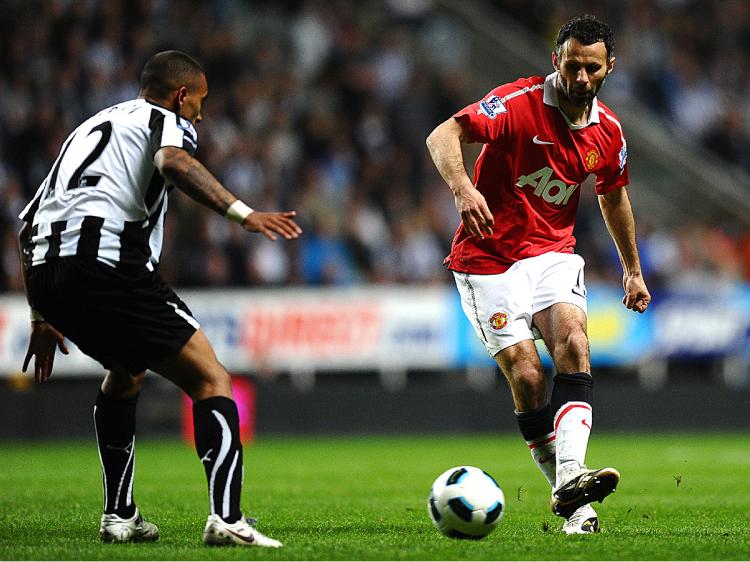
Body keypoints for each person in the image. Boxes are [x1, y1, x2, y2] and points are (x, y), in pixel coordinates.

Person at [18, 50, 301, 547]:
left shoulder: (89, 126)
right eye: (200, 102)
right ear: (181, 95)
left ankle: (120, 515)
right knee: (211, 378)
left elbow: (26, 222)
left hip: (45, 271)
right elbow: (173, 162)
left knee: (126, 373)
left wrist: (42, 316)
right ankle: (227, 519)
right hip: (108, 263)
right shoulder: (165, 120)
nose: (202, 113)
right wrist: (244, 214)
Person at [426, 14, 650, 534]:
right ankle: (571, 497)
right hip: (488, 258)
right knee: (528, 377)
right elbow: (444, 135)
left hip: (552, 252)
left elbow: (613, 196)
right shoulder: (517, 102)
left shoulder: (608, 132)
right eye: (571, 65)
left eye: (591, 69)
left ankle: (572, 478)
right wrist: (463, 188)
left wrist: (632, 270)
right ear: (557, 61)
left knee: (573, 342)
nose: (579, 78)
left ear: (609, 68)